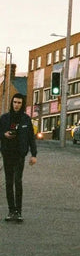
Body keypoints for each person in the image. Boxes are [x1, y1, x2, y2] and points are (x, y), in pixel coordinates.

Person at [0, 93, 37, 222]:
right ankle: (11, 211)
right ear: (12, 103)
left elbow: (31, 137)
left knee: (18, 181)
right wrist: (4, 134)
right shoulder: (4, 118)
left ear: (22, 105)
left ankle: (18, 211)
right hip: (7, 153)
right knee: (9, 182)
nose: (16, 105)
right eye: (15, 102)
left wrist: (34, 154)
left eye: (19, 103)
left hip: (19, 155)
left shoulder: (26, 119)